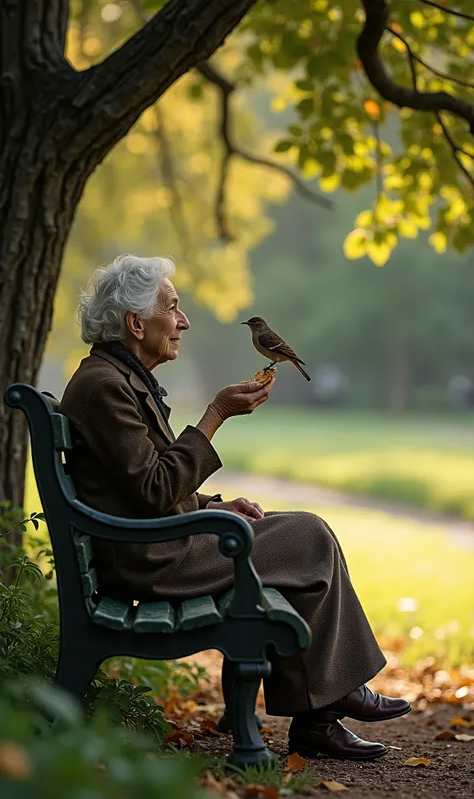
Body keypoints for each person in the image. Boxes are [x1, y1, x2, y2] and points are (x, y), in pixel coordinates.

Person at [60, 255, 410, 761]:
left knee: (303, 538)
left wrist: (213, 506)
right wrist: (216, 414)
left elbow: (135, 487)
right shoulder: (106, 386)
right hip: (151, 559)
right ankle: (332, 701)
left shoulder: (118, 378)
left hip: (158, 542)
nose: (183, 321)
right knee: (309, 537)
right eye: (173, 309)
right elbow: (154, 490)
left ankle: (323, 713)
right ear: (136, 324)